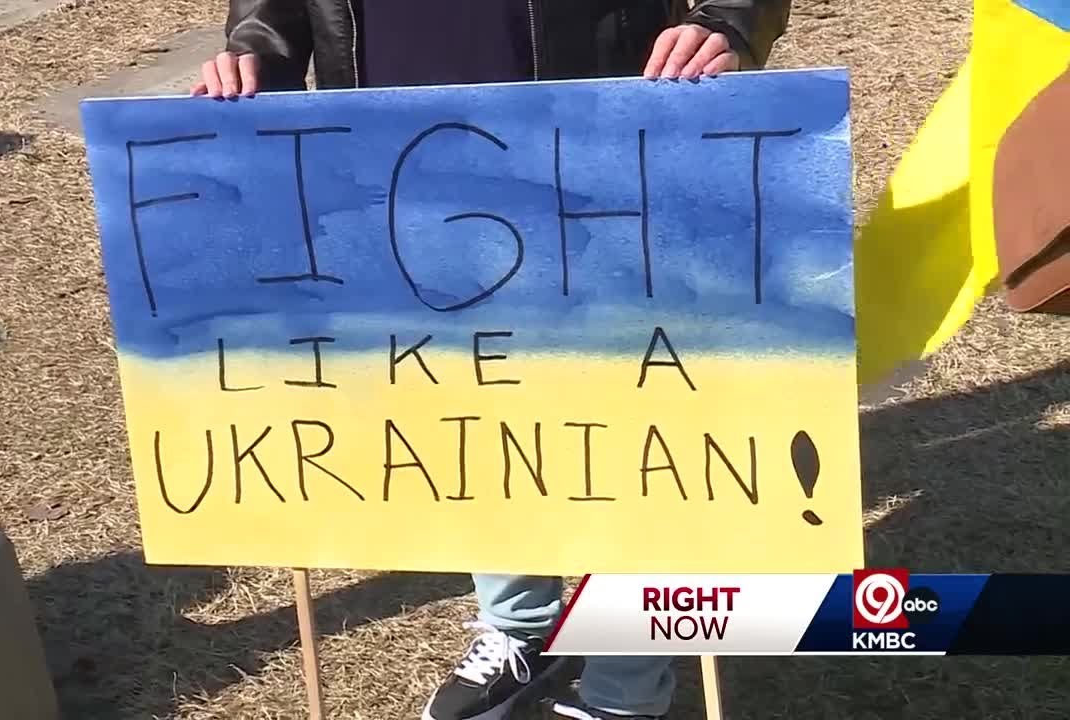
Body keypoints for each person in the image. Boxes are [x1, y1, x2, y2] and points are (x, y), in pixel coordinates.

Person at [194, 2, 791, 719]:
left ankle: (625, 688)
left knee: (634, 420)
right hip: (397, 144)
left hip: (604, 121)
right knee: (477, 397)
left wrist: (729, 21)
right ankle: (522, 628)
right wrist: (259, 50)